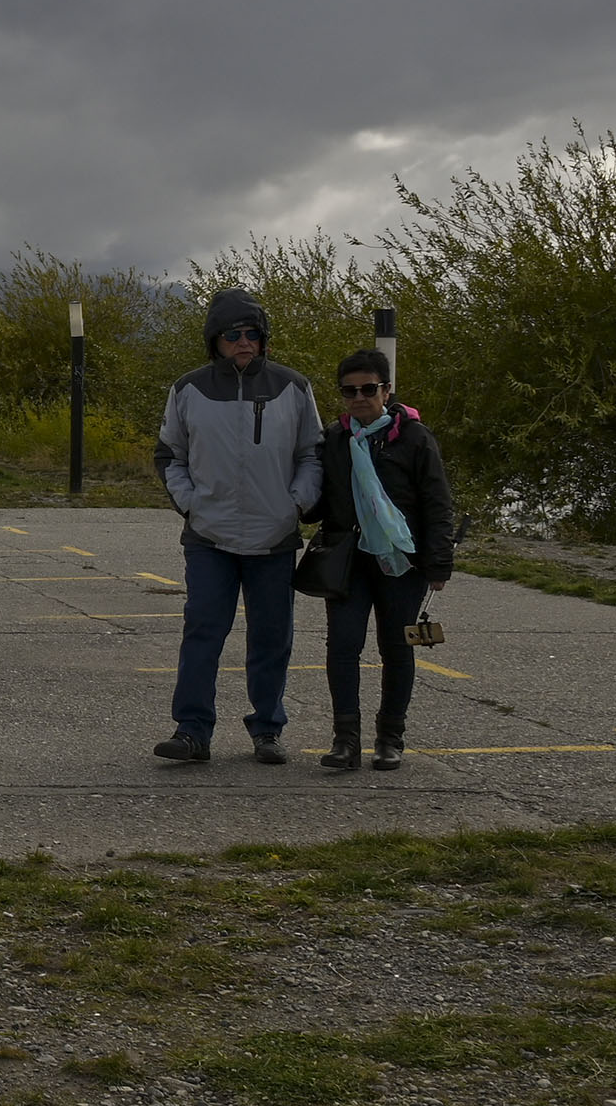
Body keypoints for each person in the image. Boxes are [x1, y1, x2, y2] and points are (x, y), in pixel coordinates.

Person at [150, 290, 323, 764]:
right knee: (203, 631)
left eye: (252, 334)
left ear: (263, 339)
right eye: (232, 335)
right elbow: (170, 456)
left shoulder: (294, 387)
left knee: (271, 637)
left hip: (275, 537)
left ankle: (267, 730)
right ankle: (191, 731)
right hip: (209, 537)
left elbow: (312, 454)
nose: (243, 342)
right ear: (216, 341)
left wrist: (295, 504)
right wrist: (192, 506)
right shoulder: (188, 389)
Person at [308, 348, 455, 771]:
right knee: (342, 646)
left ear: (387, 390)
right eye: (349, 390)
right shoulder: (335, 439)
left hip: (402, 563)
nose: (358, 397)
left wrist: (438, 564)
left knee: (396, 648)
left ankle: (390, 739)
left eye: (368, 389)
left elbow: (437, 503)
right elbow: (318, 500)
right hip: (348, 560)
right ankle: (345, 741)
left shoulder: (414, 438)